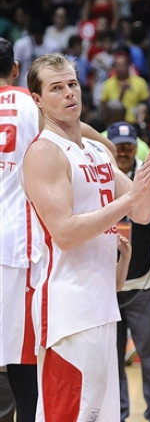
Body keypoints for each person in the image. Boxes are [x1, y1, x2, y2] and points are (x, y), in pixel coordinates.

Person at [21, 53, 150, 420]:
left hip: (102, 303)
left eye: (72, 84)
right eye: (56, 88)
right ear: (38, 100)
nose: (69, 93)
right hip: (68, 310)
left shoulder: (97, 152)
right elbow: (66, 232)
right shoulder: (44, 152)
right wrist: (131, 197)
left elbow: (142, 212)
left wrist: (146, 181)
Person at [108, 121, 150, 422]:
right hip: (107, 287)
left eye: (128, 145)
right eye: (118, 145)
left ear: (137, 146)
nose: (123, 150)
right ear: (109, 145)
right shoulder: (98, 173)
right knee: (110, 362)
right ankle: (116, 415)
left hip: (146, 284)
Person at [0, 37, 43, 422]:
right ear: (15, 69)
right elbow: (70, 132)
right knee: (22, 354)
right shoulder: (31, 102)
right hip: (17, 244)